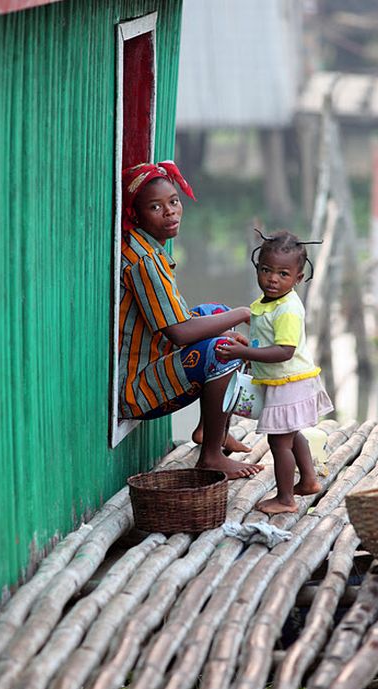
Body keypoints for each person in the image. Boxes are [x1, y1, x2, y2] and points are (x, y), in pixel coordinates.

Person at [119, 161, 263, 479]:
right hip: (137, 389)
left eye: (173, 201)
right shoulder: (144, 262)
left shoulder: (147, 250)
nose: (170, 212)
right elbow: (180, 333)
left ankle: (210, 430)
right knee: (222, 347)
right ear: (136, 215)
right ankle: (211, 456)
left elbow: (183, 321)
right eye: (156, 207)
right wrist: (241, 314)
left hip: (155, 358)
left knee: (214, 312)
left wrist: (227, 318)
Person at [216, 230, 334, 512]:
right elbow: (267, 341)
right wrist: (248, 346)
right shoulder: (269, 304)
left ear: (298, 278)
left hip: (289, 382)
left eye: (283, 274)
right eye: (267, 270)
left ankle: (285, 499)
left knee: (279, 442)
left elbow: (284, 351)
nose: (273, 279)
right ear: (257, 268)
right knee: (292, 435)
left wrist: (244, 353)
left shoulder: (288, 309)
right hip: (286, 381)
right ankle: (308, 480)